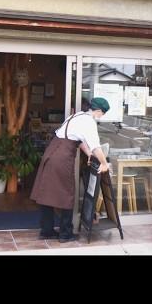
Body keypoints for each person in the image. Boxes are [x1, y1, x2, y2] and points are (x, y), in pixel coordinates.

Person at [30, 97, 111, 242]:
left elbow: (78, 141)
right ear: (98, 111)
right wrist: (104, 163)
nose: (102, 117)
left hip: (51, 152)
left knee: (46, 192)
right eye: (103, 114)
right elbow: (96, 146)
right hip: (62, 157)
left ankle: (46, 231)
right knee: (67, 193)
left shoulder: (77, 116)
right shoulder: (89, 122)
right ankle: (65, 233)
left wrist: (89, 155)